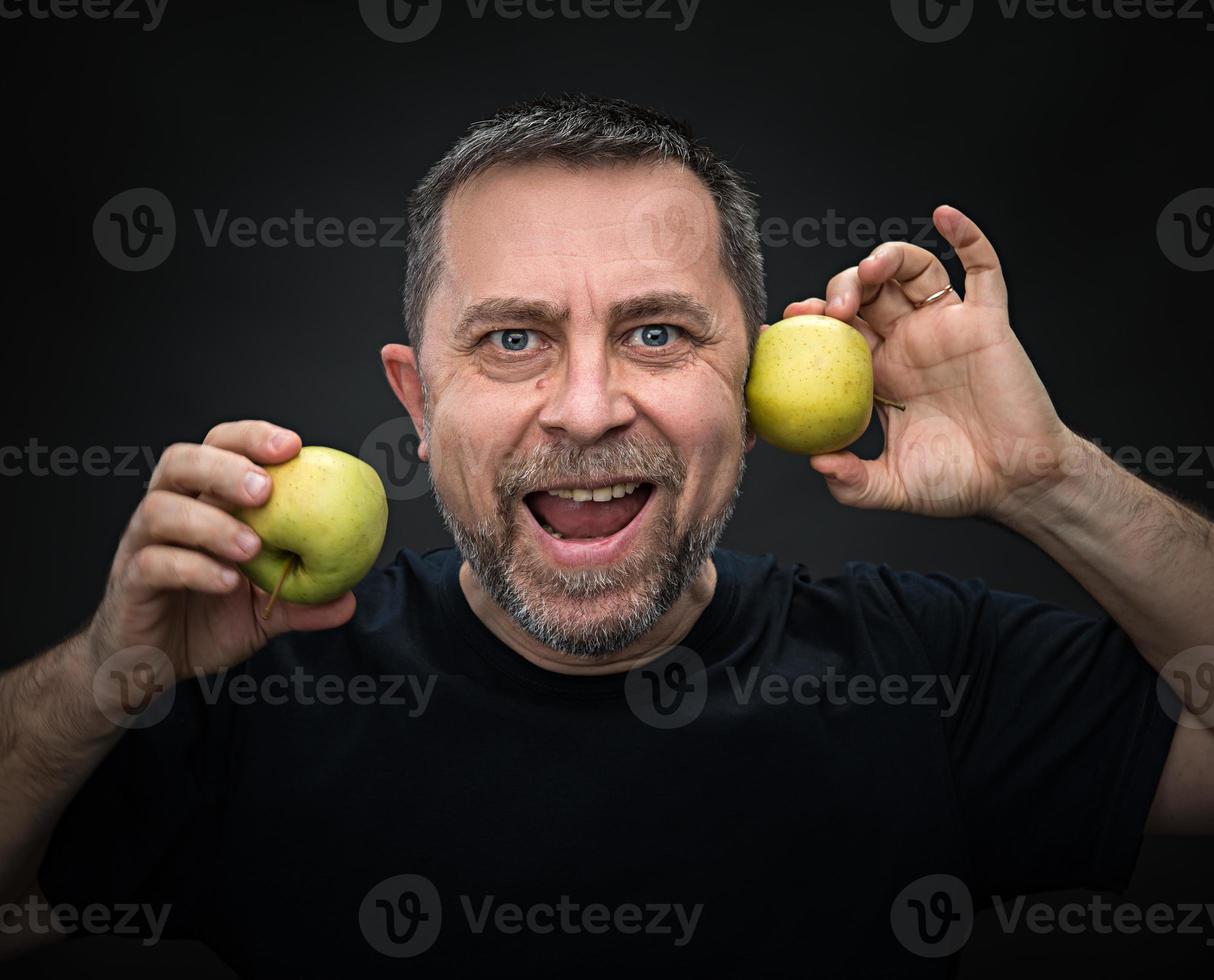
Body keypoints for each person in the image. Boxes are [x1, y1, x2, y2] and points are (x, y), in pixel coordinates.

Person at [1, 94, 1211, 976]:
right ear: (419, 404)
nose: (587, 408)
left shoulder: (922, 668)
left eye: (655, 334)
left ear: (751, 390)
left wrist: (1046, 476)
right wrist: (96, 687)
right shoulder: (251, 681)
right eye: (512, 338)